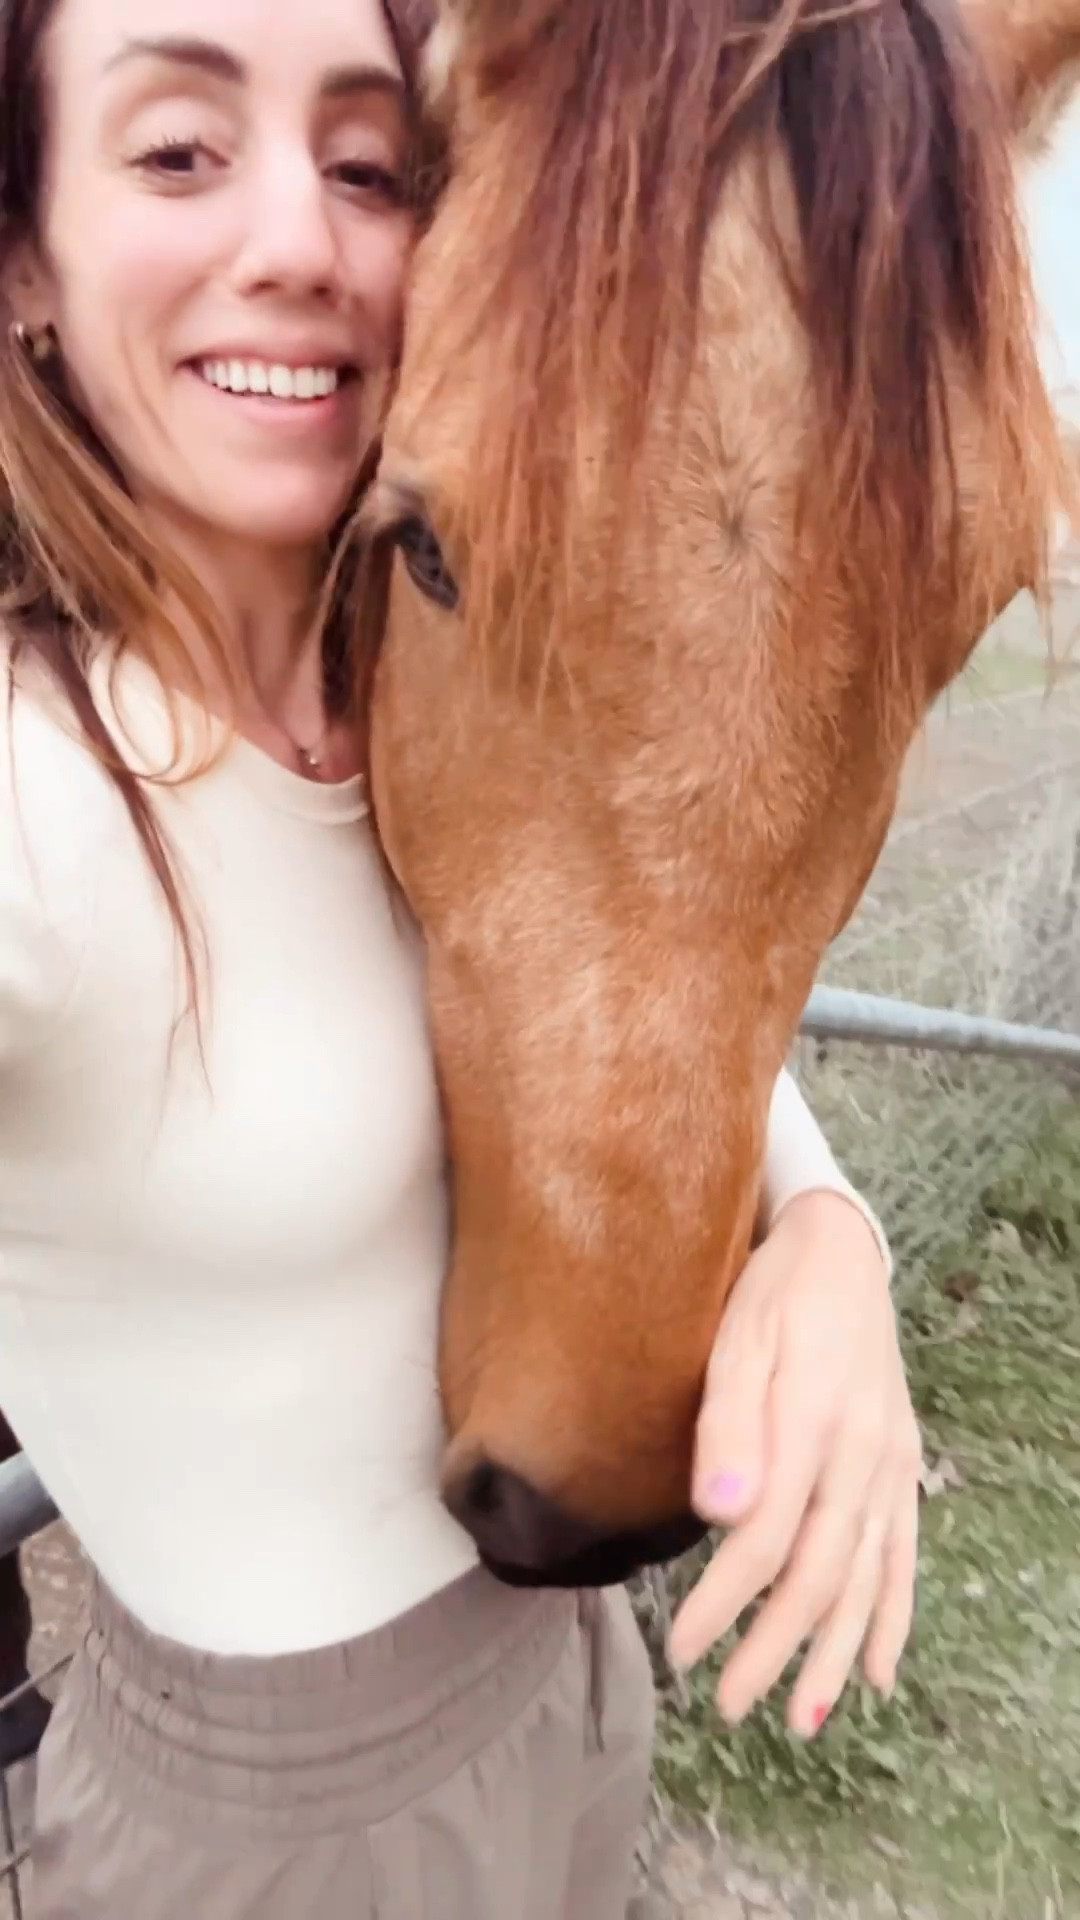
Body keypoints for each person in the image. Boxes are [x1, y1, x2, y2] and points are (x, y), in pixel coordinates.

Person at [0, 0, 922, 1914]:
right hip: (260, 1839)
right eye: (178, 152)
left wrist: (832, 1236)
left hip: (573, 1706)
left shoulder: (429, 653)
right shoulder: (38, 810)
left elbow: (645, 965)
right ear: (25, 258)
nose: (297, 240)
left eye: (367, 165)